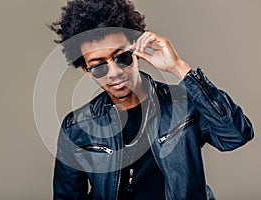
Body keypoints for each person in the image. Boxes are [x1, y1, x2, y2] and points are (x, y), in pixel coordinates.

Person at [48, 0, 254, 199]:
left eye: (122, 57)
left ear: (136, 51)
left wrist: (177, 67)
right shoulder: (76, 128)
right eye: (99, 66)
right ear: (86, 70)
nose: (114, 72)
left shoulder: (183, 104)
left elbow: (236, 135)